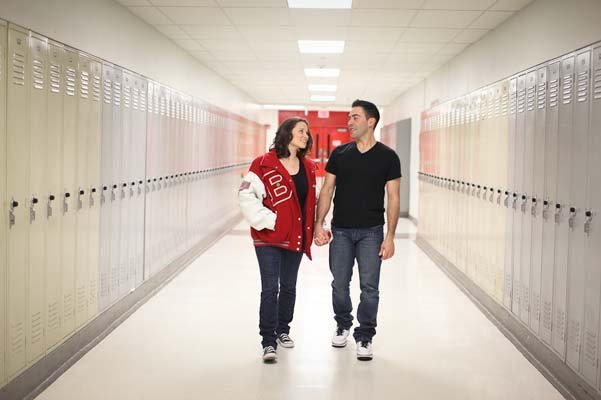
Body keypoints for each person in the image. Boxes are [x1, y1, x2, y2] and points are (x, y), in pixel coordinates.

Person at [314, 99, 401, 361]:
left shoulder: (388, 156)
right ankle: (342, 324)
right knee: (339, 284)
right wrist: (320, 223)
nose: (349, 122)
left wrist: (390, 236)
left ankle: (364, 336)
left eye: (354, 117)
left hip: (371, 232)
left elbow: (394, 197)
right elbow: (327, 189)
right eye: (349, 118)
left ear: (370, 121)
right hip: (340, 231)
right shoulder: (340, 154)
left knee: (369, 288)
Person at [238, 117, 316, 362]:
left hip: (295, 237)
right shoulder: (263, 164)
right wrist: (270, 222)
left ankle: (283, 330)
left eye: (307, 132)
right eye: (301, 131)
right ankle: (268, 341)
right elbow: (246, 196)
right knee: (271, 288)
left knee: (289, 287)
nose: (305, 135)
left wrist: (315, 228)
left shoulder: (309, 167)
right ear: (287, 134)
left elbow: (307, 204)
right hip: (268, 238)